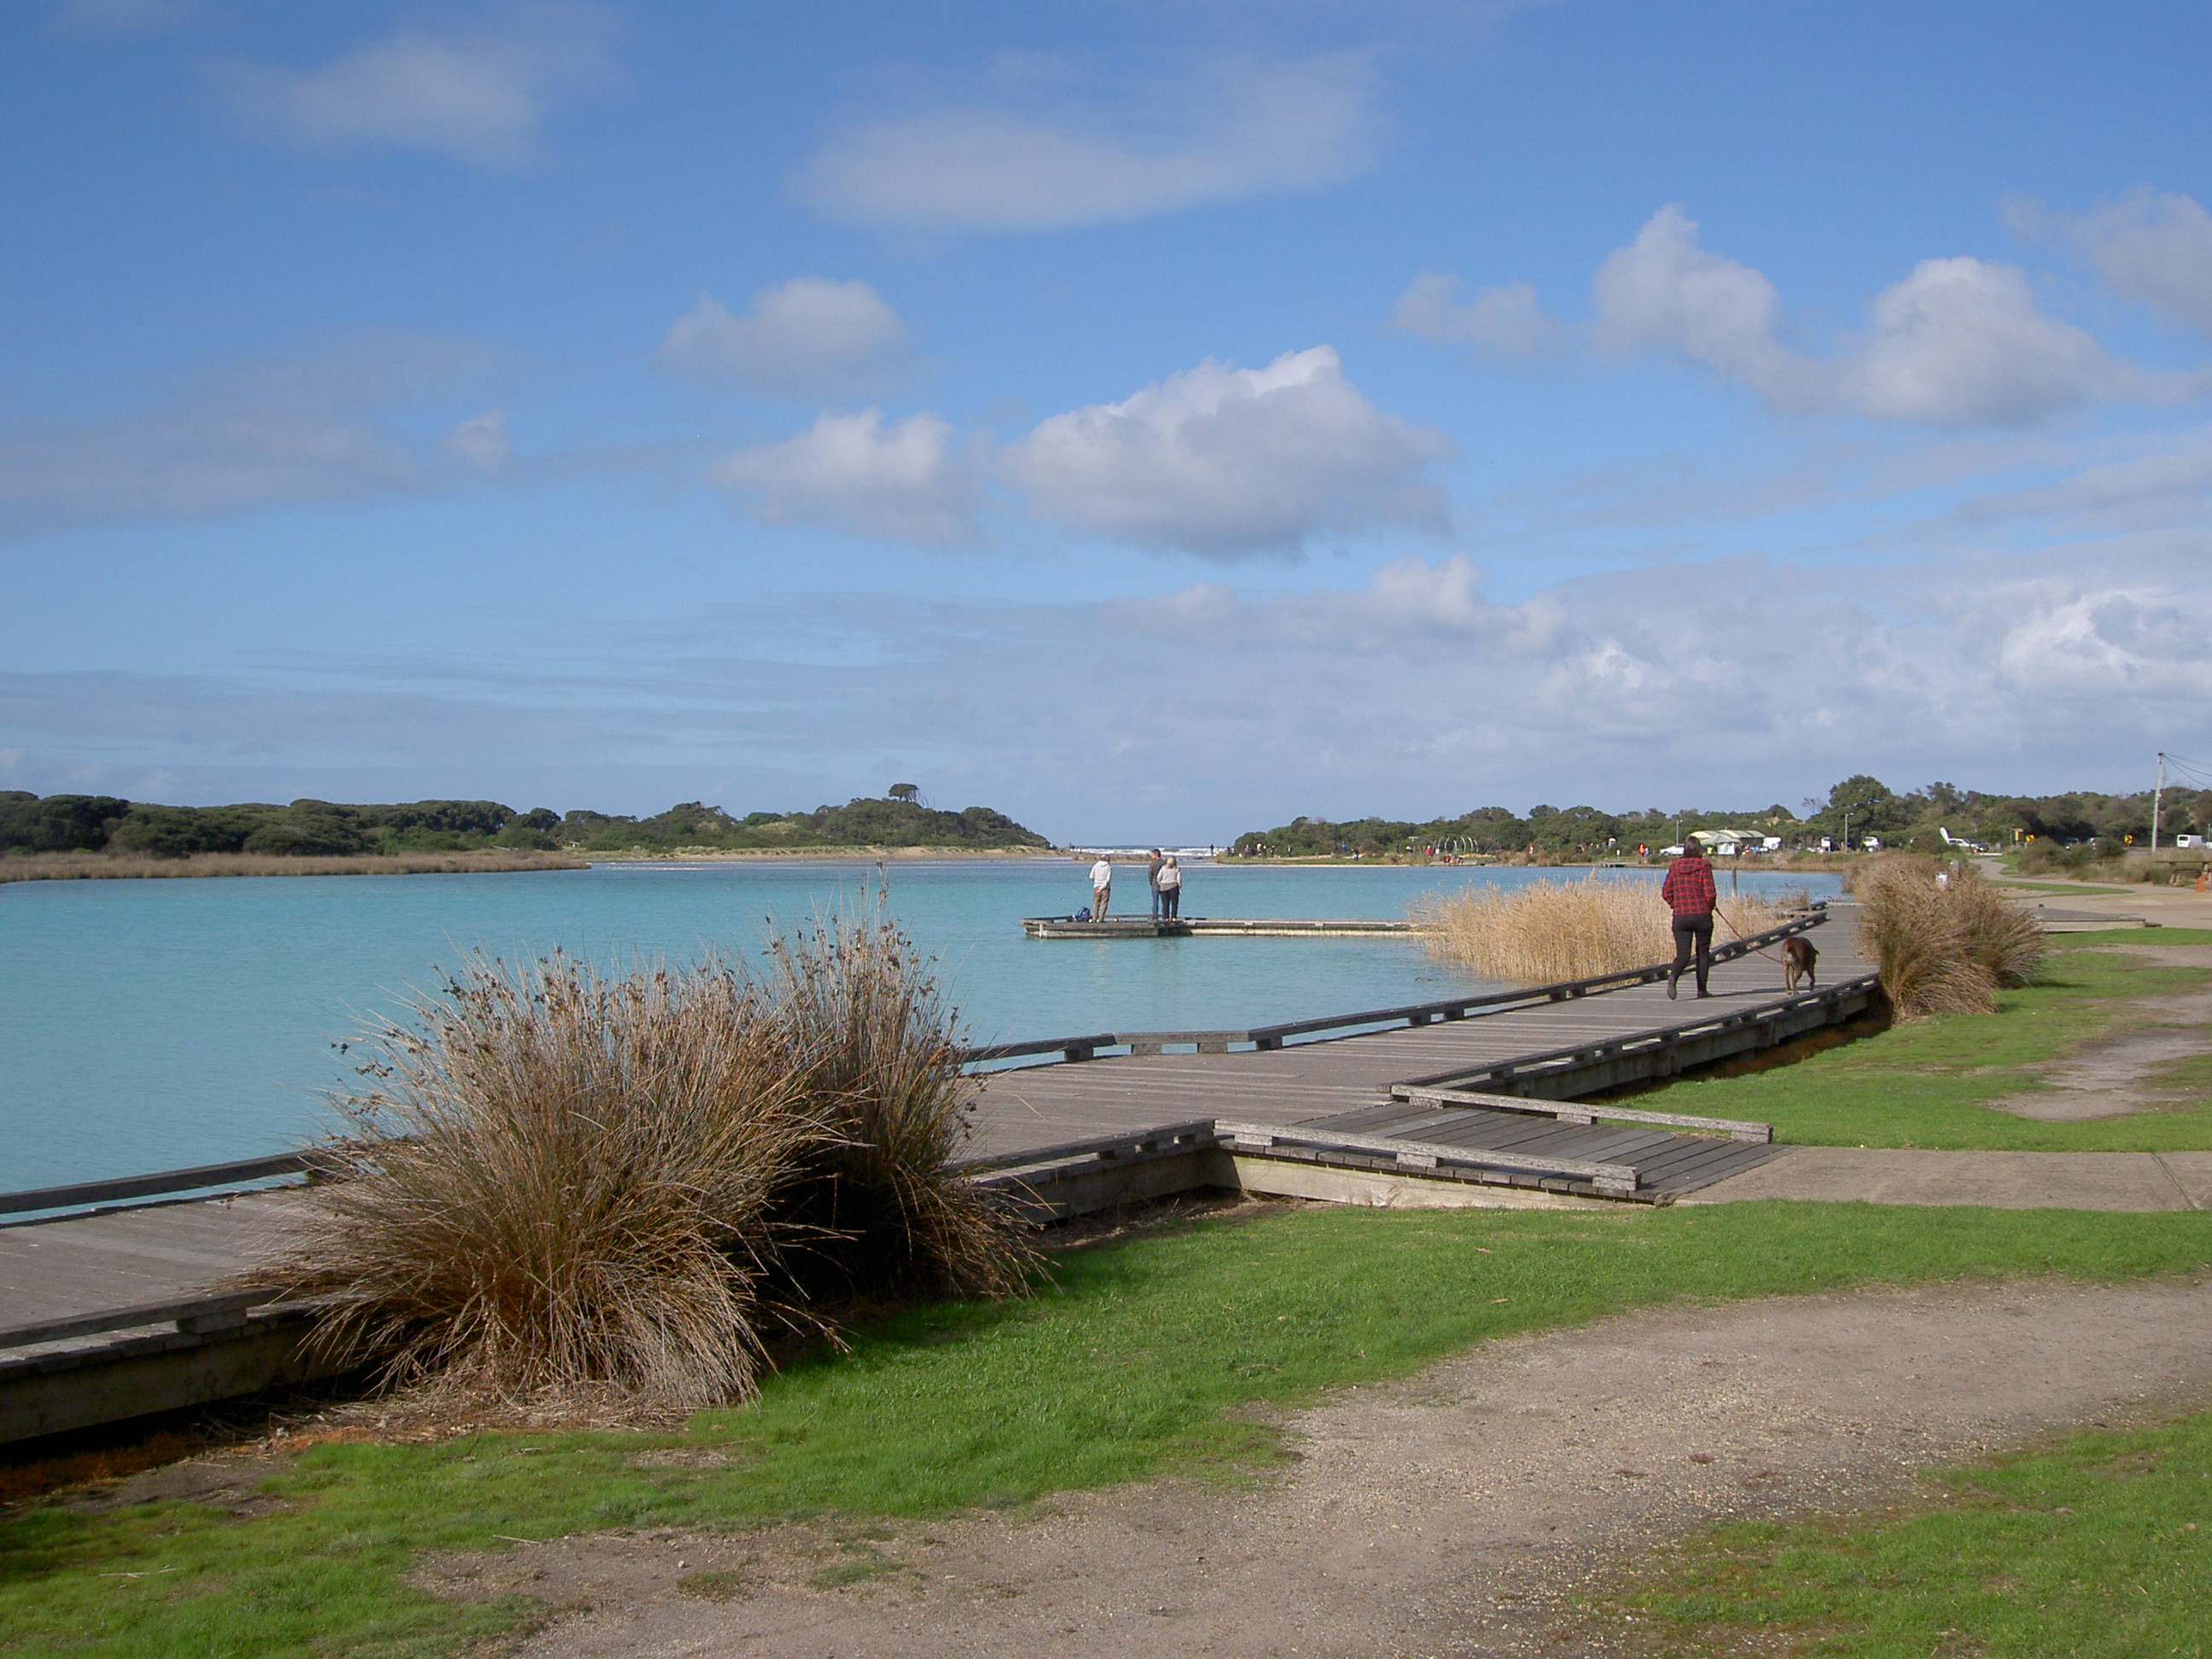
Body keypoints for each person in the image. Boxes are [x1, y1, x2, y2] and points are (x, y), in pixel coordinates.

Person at [1661, 842, 1717, 999]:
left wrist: (1675, 904)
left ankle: (1673, 976)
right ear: (1699, 851)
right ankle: (1702, 990)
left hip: (1681, 916)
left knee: (1683, 954)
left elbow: (1666, 892)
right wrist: (1709, 906)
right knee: (1703, 953)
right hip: (1701, 915)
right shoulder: (1704, 866)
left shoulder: (1675, 866)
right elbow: (1710, 894)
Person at [1156, 853, 1183, 918]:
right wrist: (1179, 887)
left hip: (1163, 887)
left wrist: (1160, 884)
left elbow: (1158, 877)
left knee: (1165, 904)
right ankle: (1174, 917)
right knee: (1174, 904)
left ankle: (1166, 917)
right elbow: (1179, 879)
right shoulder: (1176, 869)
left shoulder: (1163, 868)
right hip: (1173, 886)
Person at [1089, 853, 1115, 920]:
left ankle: (1094, 918)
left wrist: (1097, 879)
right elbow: (1108, 879)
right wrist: (1102, 887)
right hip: (1105, 888)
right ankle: (1101, 919)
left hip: (1096, 887)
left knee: (1096, 903)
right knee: (1104, 903)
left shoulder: (1095, 866)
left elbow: (1091, 876)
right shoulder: (1109, 867)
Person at [1145, 847, 1165, 918]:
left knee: (1155, 901)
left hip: (1155, 883)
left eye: (1152, 855)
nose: (1151, 856)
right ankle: (1164, 914)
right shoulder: (1164, 863)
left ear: (1156, 855)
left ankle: (1155, 915)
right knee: (1164, 901)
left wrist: (1151, 882)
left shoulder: (1153, 864)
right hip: (1163, 883)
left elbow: (1150, 874)